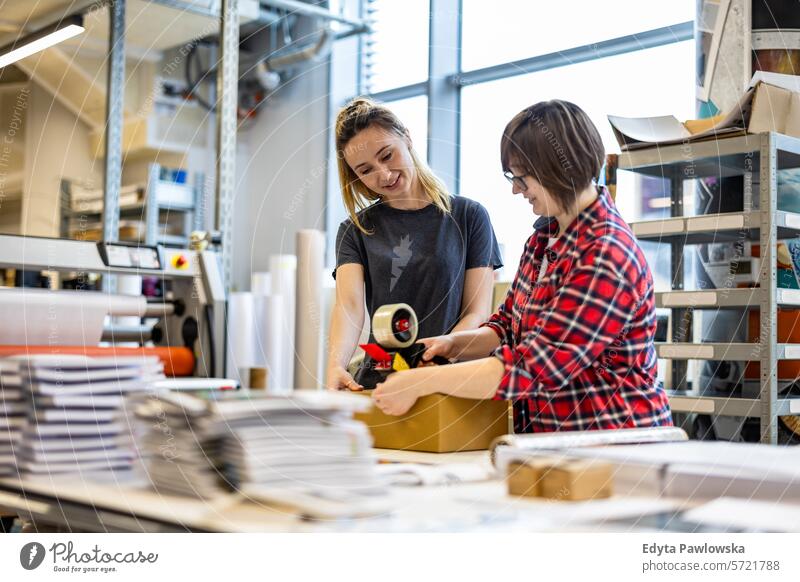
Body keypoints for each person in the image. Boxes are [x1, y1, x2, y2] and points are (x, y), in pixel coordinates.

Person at [372, 99, 673, 433]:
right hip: (556, 444)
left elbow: (533, 368)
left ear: (559, 168)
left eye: (522, 177)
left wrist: (422, 382)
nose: (516, 189)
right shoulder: (544, 240)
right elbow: (506, 326)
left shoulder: (605, 254)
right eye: (512, 177)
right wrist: (455, 344)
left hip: (616, 445)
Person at [326, 97, 503, 390]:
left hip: (449, 381)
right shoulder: (354, 230)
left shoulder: (469, 217)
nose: (383, 175)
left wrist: (440, 355)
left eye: (387, 155)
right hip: (379, 384)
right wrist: (335, 365)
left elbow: (477, 312)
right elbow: (350, 306)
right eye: (365, 170)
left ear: (406, 137)